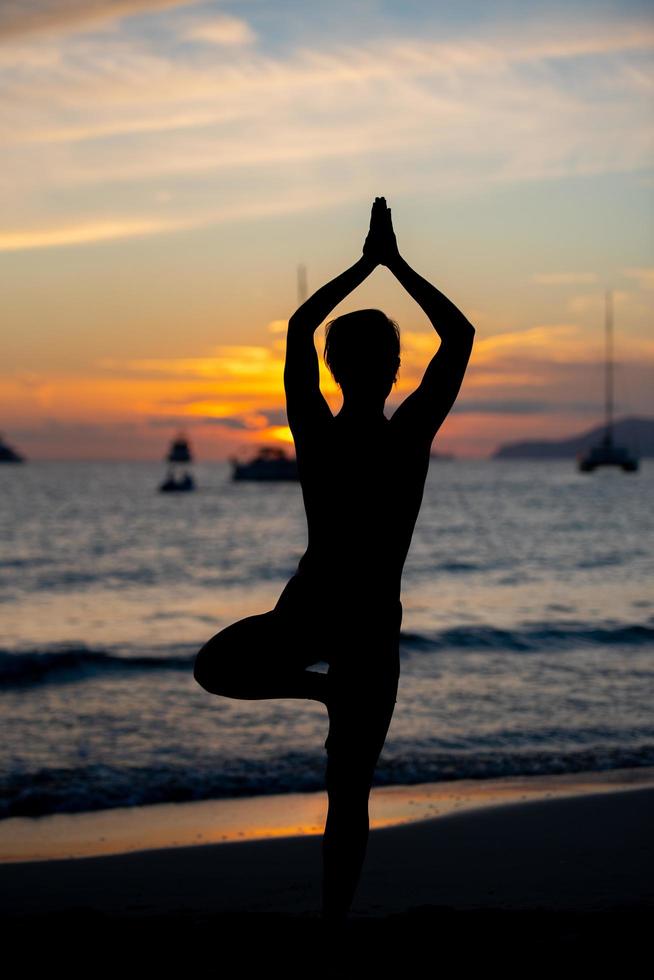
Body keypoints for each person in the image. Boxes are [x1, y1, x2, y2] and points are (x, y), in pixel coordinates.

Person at [193, 197, 475, 928]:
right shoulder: (408, 433)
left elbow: (295, 329)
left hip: (323, 614)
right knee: (348, 793)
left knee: (219, 670)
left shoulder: (316, 431)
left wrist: (364, 263)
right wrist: (393, 262)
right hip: (361, 623)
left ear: (334, 367)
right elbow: (460, 334)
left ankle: (333, 920)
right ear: (391, 369)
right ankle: (333, 919)